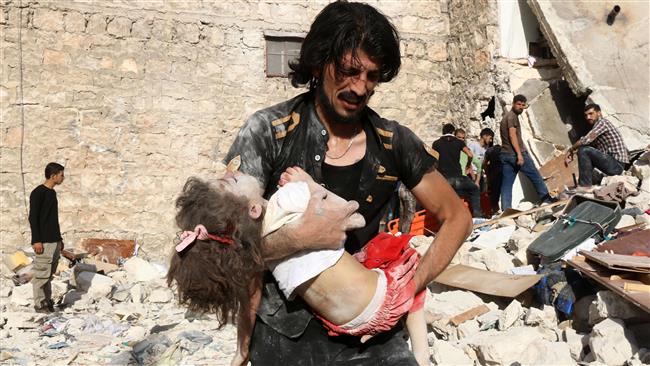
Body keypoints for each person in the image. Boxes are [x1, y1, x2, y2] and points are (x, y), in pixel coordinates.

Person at [223, 2, 472, 365]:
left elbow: (457, 217)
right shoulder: (268, 133)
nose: (360, 87)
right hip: (286, 336)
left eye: (372, 76)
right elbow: (228, 243)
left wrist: (404, 293)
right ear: (320, 61)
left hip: (372, 335)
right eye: (349, 71)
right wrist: (298, 238)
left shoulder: (394, 142)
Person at [167, 168, 429, 366]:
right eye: (231, 180)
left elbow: (250, 301)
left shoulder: (254, 250)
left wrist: (242, 349)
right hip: (379, 304)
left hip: (340, 323)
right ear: (255, 210)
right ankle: (422, 354)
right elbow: (354, 217)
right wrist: (311, 185)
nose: (230, 170)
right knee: (407, 259)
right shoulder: (290, 198)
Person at [499, 94, 554, 209]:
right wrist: (519, 154)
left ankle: (506, 209)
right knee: (535, 176)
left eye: (523, 105)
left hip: (505, 154)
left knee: (507, 184)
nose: (520, 107)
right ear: (513, 103)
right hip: (515, 154)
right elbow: (512, 135)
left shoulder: (506, 117)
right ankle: (547, 200)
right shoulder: (512, 117)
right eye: (518, 104)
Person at [564, 103, 629, 189]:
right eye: (586, 115)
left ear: (599, 113)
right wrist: (574, 153)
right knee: (584, 152)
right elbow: (591, 147)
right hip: (612, 164)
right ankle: (586, 184)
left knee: (584, 150)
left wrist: (571, 150)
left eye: (591, 114)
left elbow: (586, 140)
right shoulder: (597, 128)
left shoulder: (602, 123)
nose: (588, 117)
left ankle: (585, 186)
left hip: (617, 165)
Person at [29, 162, 65, 313]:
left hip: (54, 241)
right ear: (53, 176)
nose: (63, 178)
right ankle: (39, 304)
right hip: (43, 242)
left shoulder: (52, 193)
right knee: (41, 275)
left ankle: (47, 302)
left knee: (49, 275)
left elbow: (52, 219)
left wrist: (59, 239)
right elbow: (33, 217)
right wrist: (36, 240)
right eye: (61, 175)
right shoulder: (38, 192)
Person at [432, 123, 482, 217]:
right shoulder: (459, 142)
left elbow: (433, 160)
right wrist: (468, 165)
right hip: (458, 177)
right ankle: (477, 215)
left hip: (445, 180)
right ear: (453, 132)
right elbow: (470, 155)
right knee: (474, 190)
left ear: (443, 132)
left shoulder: (436, 143)